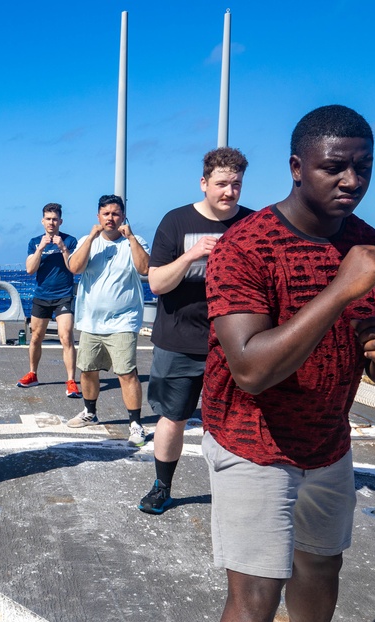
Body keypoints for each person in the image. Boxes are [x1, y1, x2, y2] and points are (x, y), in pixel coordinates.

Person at [203, 105, 375, 622]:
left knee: (323, 563)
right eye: (334, 167)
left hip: (328, 440)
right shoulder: (246, 246)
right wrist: (340, 289)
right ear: (297, 168)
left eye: (363, 168)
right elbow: (249, 368)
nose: (351, 180)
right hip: (251, 439)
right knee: (255, 595)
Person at [137, 147, 253, 515]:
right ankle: (162, 486)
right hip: (179, 341)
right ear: (204, 183)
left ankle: (235, 490)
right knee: (173, 417)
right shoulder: (175, 222)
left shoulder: (253, 224)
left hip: (235, 343)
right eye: (221, 184)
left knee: (237, 421)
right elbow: (155, 283)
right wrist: (190, 256)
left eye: (236, 184)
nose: (229, 192)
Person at [65, 195, 149, 447]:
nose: (110, 218)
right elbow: (75, 268)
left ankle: (135, 423)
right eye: (106, 214)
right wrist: (90, 238)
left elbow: (145, 268)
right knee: (88, 370)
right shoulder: (86, 241)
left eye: (115, 213)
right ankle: (89, 412)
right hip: (91, 321)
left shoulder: (136, 241)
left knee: (126, 372)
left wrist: (132, 238)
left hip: (123, 321)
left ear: (123, 216)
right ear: (98, 217)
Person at [17, 203, 80, 397]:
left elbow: (74, 268)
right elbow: (29, 269)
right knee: (36, 337)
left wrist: (62, 249)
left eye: (55, 219)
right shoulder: (34, 241)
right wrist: (40, 249)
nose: (51, 222)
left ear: (60, 221)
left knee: (66, 336)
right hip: (42, 296)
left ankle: (71, 380)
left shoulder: (70, 241)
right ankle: (33, 374)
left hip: (63, 295)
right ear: (42, 221)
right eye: (48, 219)